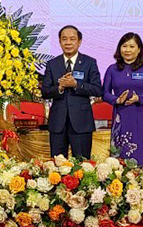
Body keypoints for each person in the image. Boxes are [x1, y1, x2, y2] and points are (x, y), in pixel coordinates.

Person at [42, 25, 103, 159]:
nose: (68, 42)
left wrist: (76, 85)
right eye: (64, 39)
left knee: (82, 165)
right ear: (59, 42)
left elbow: (98, 89)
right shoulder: (52, 64)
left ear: (79, 42)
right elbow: (45, 92)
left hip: (81, 122)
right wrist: (60, 88)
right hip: (58, 123)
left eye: (72, 39)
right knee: (57, 165)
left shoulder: (89, 62)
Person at [103, 32, 143, 165]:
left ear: (139, 49)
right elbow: (105, 93)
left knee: (142, 156)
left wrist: (138, 98)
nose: (127, 50)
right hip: (121, 118)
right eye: (124, 46)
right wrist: (116, 100)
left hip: (141, 118)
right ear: (119, 49)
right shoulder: (112, 69)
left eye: (132, 46)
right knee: (120, 159)